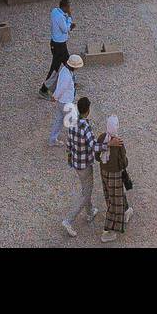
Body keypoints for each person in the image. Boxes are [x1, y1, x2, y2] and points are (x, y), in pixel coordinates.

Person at [61, 96, 98, 238]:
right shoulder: (86, 127)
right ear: (87, 111)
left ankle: (90, 212)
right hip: (85, 165)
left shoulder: (72, 124)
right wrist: (108, 145)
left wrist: (70, 160)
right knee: (86, 192)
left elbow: (68, 145)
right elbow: (94, 146)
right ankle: (68, 220)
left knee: (85, 188)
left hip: (76, 163)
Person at [97, 114, 132, 242]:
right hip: (115, 175)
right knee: (115, 201)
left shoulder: (101, 137)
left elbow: (97, 156)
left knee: (111, 196)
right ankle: (112, 231)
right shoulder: (119, 142)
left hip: (104, 173)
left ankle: (127, 211)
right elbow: (124, 162)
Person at [39, 0, 74, 96]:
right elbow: (65, 29)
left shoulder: (55, 11)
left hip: (57, 44)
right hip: (59, 46)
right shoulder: (60, 17)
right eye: (68, 7)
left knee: (68, 63)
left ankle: (70, 82)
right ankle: (43, 89)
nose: (69, 9)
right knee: (55, 68)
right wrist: (70, 18)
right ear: (65, 7)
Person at [49, 52, 83, 145]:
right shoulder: (67, 76)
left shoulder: (64, 70)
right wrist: (55, 97)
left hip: (62, 102)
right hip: (66, 102)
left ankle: (52, 139)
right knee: (73, 122)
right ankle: (75, 142)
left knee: (59, 120)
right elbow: (62, 88)